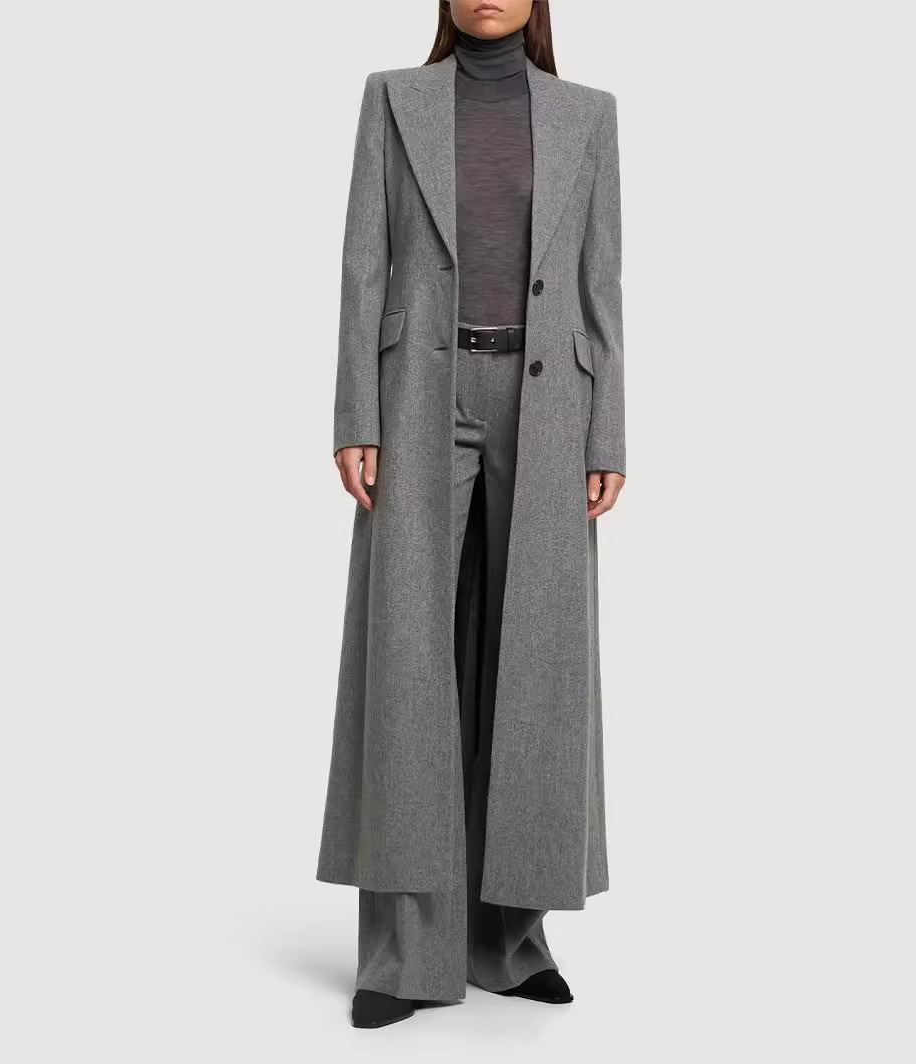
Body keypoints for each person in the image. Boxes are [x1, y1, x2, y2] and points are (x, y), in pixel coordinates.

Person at [317, 0, 626, 1028]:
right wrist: (355, 414)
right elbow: (363, 263)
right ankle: (405, 952)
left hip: (551, 402)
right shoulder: (393, 100)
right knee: (408, 662)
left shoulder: (587, 113)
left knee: (533, 666)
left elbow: (600, 281)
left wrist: (607, 433)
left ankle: (510, 938)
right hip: (419, 395)